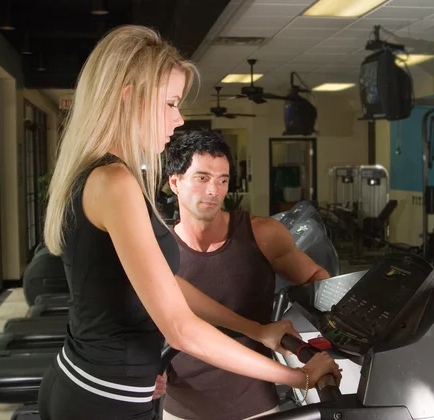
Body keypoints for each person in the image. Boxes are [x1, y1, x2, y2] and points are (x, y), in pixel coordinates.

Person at [36, 25, 342, 420]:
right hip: (103, 401)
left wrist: (255, 329)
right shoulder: (115, 182)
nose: (178, 119)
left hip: (94, 385)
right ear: (129, 97)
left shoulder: (97, 175)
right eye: (170, 103)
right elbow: (181, 329)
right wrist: (297, 377)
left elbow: (168, 286)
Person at [158, 130, 333, 420]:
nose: (214, 190)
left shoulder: (263, 234)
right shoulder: (159, 251)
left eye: (222, 180)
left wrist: (323, 331)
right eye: (202, 178)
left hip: (255, 406)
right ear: (175, 183)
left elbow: (317, 278)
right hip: (182, 407)